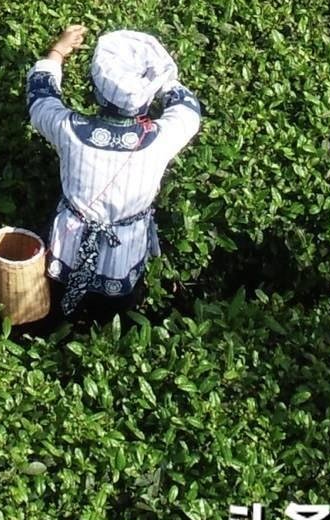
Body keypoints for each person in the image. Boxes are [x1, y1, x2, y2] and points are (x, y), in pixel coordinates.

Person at [25, 25, 204, 318]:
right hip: (124, 257)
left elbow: (40, 97)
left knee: (55, 306)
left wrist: (58, 51)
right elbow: (188, 108)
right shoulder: (161, 138)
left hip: (67, 250)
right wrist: (162, 78)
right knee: (112, 318)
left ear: (95, 87)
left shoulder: (70, 129)